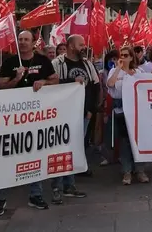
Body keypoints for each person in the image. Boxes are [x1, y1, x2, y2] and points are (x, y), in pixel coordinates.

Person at [0, 30, 59, 214]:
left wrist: (44, 82)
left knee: (34, 154)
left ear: (33, 43)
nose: (22, 42)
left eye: (26, 40)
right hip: (13, 118)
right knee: (9, 156)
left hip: (36, 117)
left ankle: (35, 195)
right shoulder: (10, 62)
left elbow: (56, 80)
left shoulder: (43, 61)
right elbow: (1, 87)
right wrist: (16, 79)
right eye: (20, 39)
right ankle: (1, 198)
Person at [49, 35, 94, 204]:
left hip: (82, 114)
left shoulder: (87, 64)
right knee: (59, 151)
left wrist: (91, 109)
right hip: (62, 114)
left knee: (74, 150)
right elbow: (51, 84)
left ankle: (70, 185)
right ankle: (56, 187)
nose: (84, 47)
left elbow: (95, 86)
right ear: (70, 46)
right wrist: (71, 81)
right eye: (80, 44)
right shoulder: (57, 63)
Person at [106, 45, 150, 185]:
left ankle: (140, 170)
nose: (123, 58)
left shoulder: (138, 71)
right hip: (121, 110)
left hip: (137, 110)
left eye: (126, 55)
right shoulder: (114, 70)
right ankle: (127, 171)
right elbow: (110, 84)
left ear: (131, 57)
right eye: (121, 55)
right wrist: (119, 68)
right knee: (125, 141)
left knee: (138, 141)